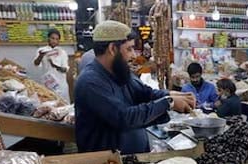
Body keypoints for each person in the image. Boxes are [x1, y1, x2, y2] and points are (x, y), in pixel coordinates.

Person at [74, 21, 195, 155]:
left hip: (133, 158)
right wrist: (169, 103)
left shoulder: (119, 72)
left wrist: (174, 95)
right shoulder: (90, 82)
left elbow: (145, 93)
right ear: (112, 49)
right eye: (129, 49)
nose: (134, 55)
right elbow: (124, 117)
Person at [34, 28, 70, 100]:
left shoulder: (62, 52)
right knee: (49, 107)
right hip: (47, 84)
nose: (54, 41)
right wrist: (41, 55)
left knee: (63, 106)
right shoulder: (42, 50)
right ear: (48, 38)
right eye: (52, 38)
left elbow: (65, 69)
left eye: (57, 39)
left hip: (61, 85)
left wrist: (55, 66)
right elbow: (36, 64)